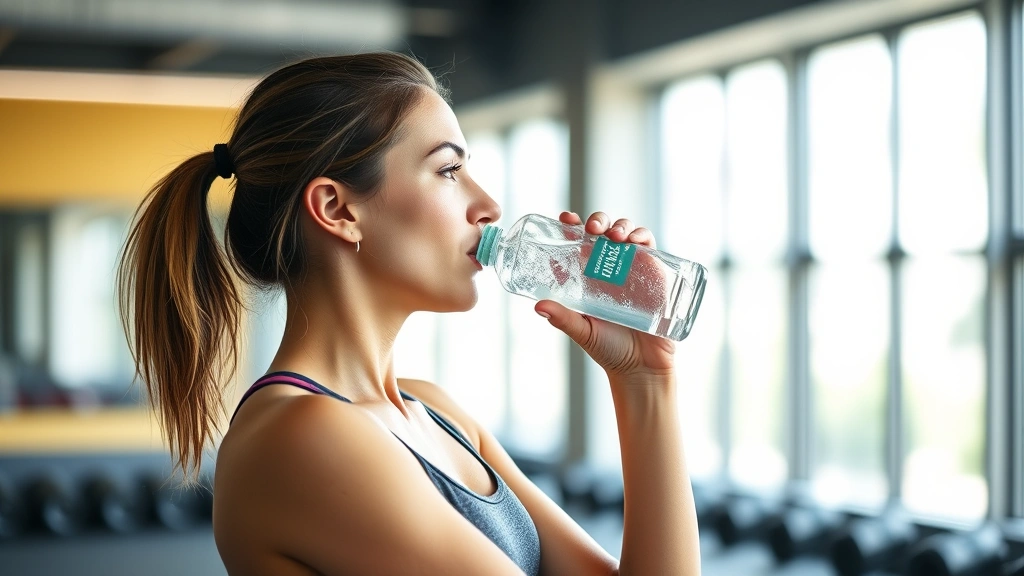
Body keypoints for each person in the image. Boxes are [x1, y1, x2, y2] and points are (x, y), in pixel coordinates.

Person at [117, 51, 700, 575]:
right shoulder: (302, 437)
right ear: (337, 208)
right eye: (449, 170)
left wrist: (645, 380)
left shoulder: (437, 413)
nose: (489, 205)